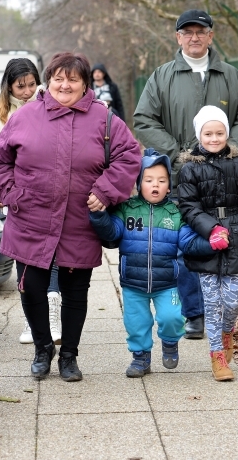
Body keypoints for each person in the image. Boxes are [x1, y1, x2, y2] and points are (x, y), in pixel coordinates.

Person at [0, 52, 141, 382]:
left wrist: (105, 190)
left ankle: (69, 355)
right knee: (32, 289)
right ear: (49, 80)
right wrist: (12, 193)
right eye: (58, 77)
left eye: (72, 79)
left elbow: (129, 157)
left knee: (74, 293)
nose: (64, 84)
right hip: (30, 219)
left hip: (79, 222)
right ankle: (43, 349)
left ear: (86, 84)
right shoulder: (25, 116)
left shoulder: (104, 119)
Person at [133, 9, 238, 340]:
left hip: (225, 178)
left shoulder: (230, 76)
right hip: (182, 177)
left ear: (210, 36)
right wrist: (178, 155)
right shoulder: (163, 76)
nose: (193, 37)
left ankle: (224, 308)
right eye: (186, 32)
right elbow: (144, 118)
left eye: (200, 31)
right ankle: (194, 312)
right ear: (178, 37)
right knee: (187, 244)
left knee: (226, 237)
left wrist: (231, 150)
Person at [88, 149, 214, 378]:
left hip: (167, 282)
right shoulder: (127, 209)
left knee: (172, 317)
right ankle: (140, 357)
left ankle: (169, 342)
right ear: (138, 183)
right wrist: (98, 215)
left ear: (169, 186)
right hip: (133, 283)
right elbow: (112, 233)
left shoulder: (175, 213)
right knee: (136, 323)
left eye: (161, 180)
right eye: (148, 180)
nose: (155, 185)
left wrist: (212, 243)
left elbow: (188, 242)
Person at [0, 58, 62, 346]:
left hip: (51, 193)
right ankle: (31, 317)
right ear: (9, 86)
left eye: (31, 84)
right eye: (19, 86)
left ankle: (52, 312)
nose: (26, 91)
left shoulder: (51, 104)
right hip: (18, 197)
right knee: (25, 257)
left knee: (53, 255)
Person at [177, 106, 238, 381]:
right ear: (199, 135)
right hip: (206, 242)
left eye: (219, 133)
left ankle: (228, 334)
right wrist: (211, 229)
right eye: (208, 133)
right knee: (212, 303)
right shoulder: (190, 168)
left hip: (236, 238)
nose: (214, 139)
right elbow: (188, 207)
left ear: (227, 134)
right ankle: (217, 356)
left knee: (231, 302)